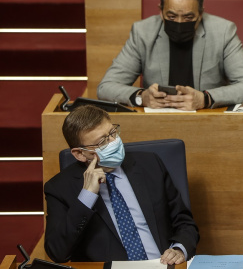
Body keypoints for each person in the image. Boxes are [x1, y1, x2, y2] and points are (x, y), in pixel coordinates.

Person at [44, 105, 199, 263]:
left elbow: (184, 222)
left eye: (112, 133)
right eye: (102, 142)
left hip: (162, 265)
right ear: (80, 154)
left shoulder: (150, 164)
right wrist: (87, 196)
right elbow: (57, 252)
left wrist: (179, 249)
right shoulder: (59, 188)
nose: (113, 142)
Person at [97, 0, 243, 110]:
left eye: (188, 17)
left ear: (200, 14)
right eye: (171, 17)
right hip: (156, 123)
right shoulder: (143, 32)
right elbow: (106, 87)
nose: (179, 23)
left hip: (207, 120)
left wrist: (205, 99)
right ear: (161, 12)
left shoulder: (223, 31)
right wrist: (141, 97)